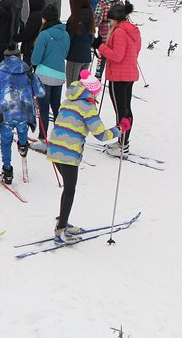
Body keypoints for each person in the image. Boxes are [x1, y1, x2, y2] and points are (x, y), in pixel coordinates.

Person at [47, 70, 126, 243]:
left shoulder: (68, 101)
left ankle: (62, 221)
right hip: (68, 152)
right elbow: (101, 135)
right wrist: (120, 129)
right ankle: (60, 231)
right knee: (69, 190)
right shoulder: (87, 107)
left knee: (67, 189)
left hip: (54, 149)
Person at [0, 45, 45, 184]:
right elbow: (41, 92)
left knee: (6, 141)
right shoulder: (28, 73)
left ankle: (7, 170)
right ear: (19, 57)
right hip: (24, 111)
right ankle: (23, 145)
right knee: (22, 128)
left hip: (5, 113)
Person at [95, 2, 141, 155]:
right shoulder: (132, 30)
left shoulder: (120, 32)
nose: (109, 22)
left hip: (119, 75)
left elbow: (117, 55)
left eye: (110, 20)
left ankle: (123, 145)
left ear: (116, 18)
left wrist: (100, 46)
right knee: (125, 109)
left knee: (121, 111)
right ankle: (122, 141)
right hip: (128, 74)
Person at [31, 4, 69, 140]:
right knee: (56, 106)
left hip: (44, 75)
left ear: (45, 19)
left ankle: (43, 138)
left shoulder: (44, 35)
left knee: (43, 108)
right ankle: (60, 136)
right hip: (59, 74)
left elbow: (35, 59)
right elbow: (65, 54)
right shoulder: (65, 34)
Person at [64, 0, 93, 86]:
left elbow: (68, 39)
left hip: (75, 56)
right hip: (86, 55)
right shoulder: (90, 16)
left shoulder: (74, 19)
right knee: (81, 87)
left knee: (72, 87)